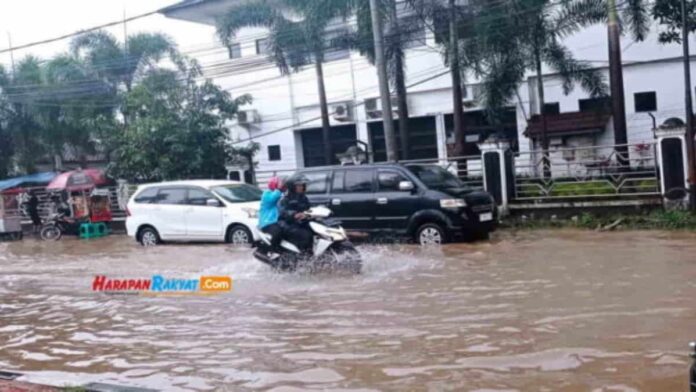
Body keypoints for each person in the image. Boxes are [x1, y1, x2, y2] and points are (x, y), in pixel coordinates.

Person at [279, 176, 313, 252]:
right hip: (287, 223)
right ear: (292, 187)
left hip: (300, 222)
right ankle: (301, 254)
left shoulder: (303, 197)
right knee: (305, 235)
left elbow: (308, 208)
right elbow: (282, 211)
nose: (301, 187)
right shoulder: (286, 199)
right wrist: (294, 214)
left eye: (302, 185)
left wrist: (312, 212)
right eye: (299, 185)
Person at [258, 177, 284, 252]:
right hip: (268, 222)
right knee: (277, 232)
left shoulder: (280, 194)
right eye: (279, 184)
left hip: (277, 221)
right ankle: (272, 251)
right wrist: (279, 189)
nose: (282, 186)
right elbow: (272, 199)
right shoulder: (266, 194)